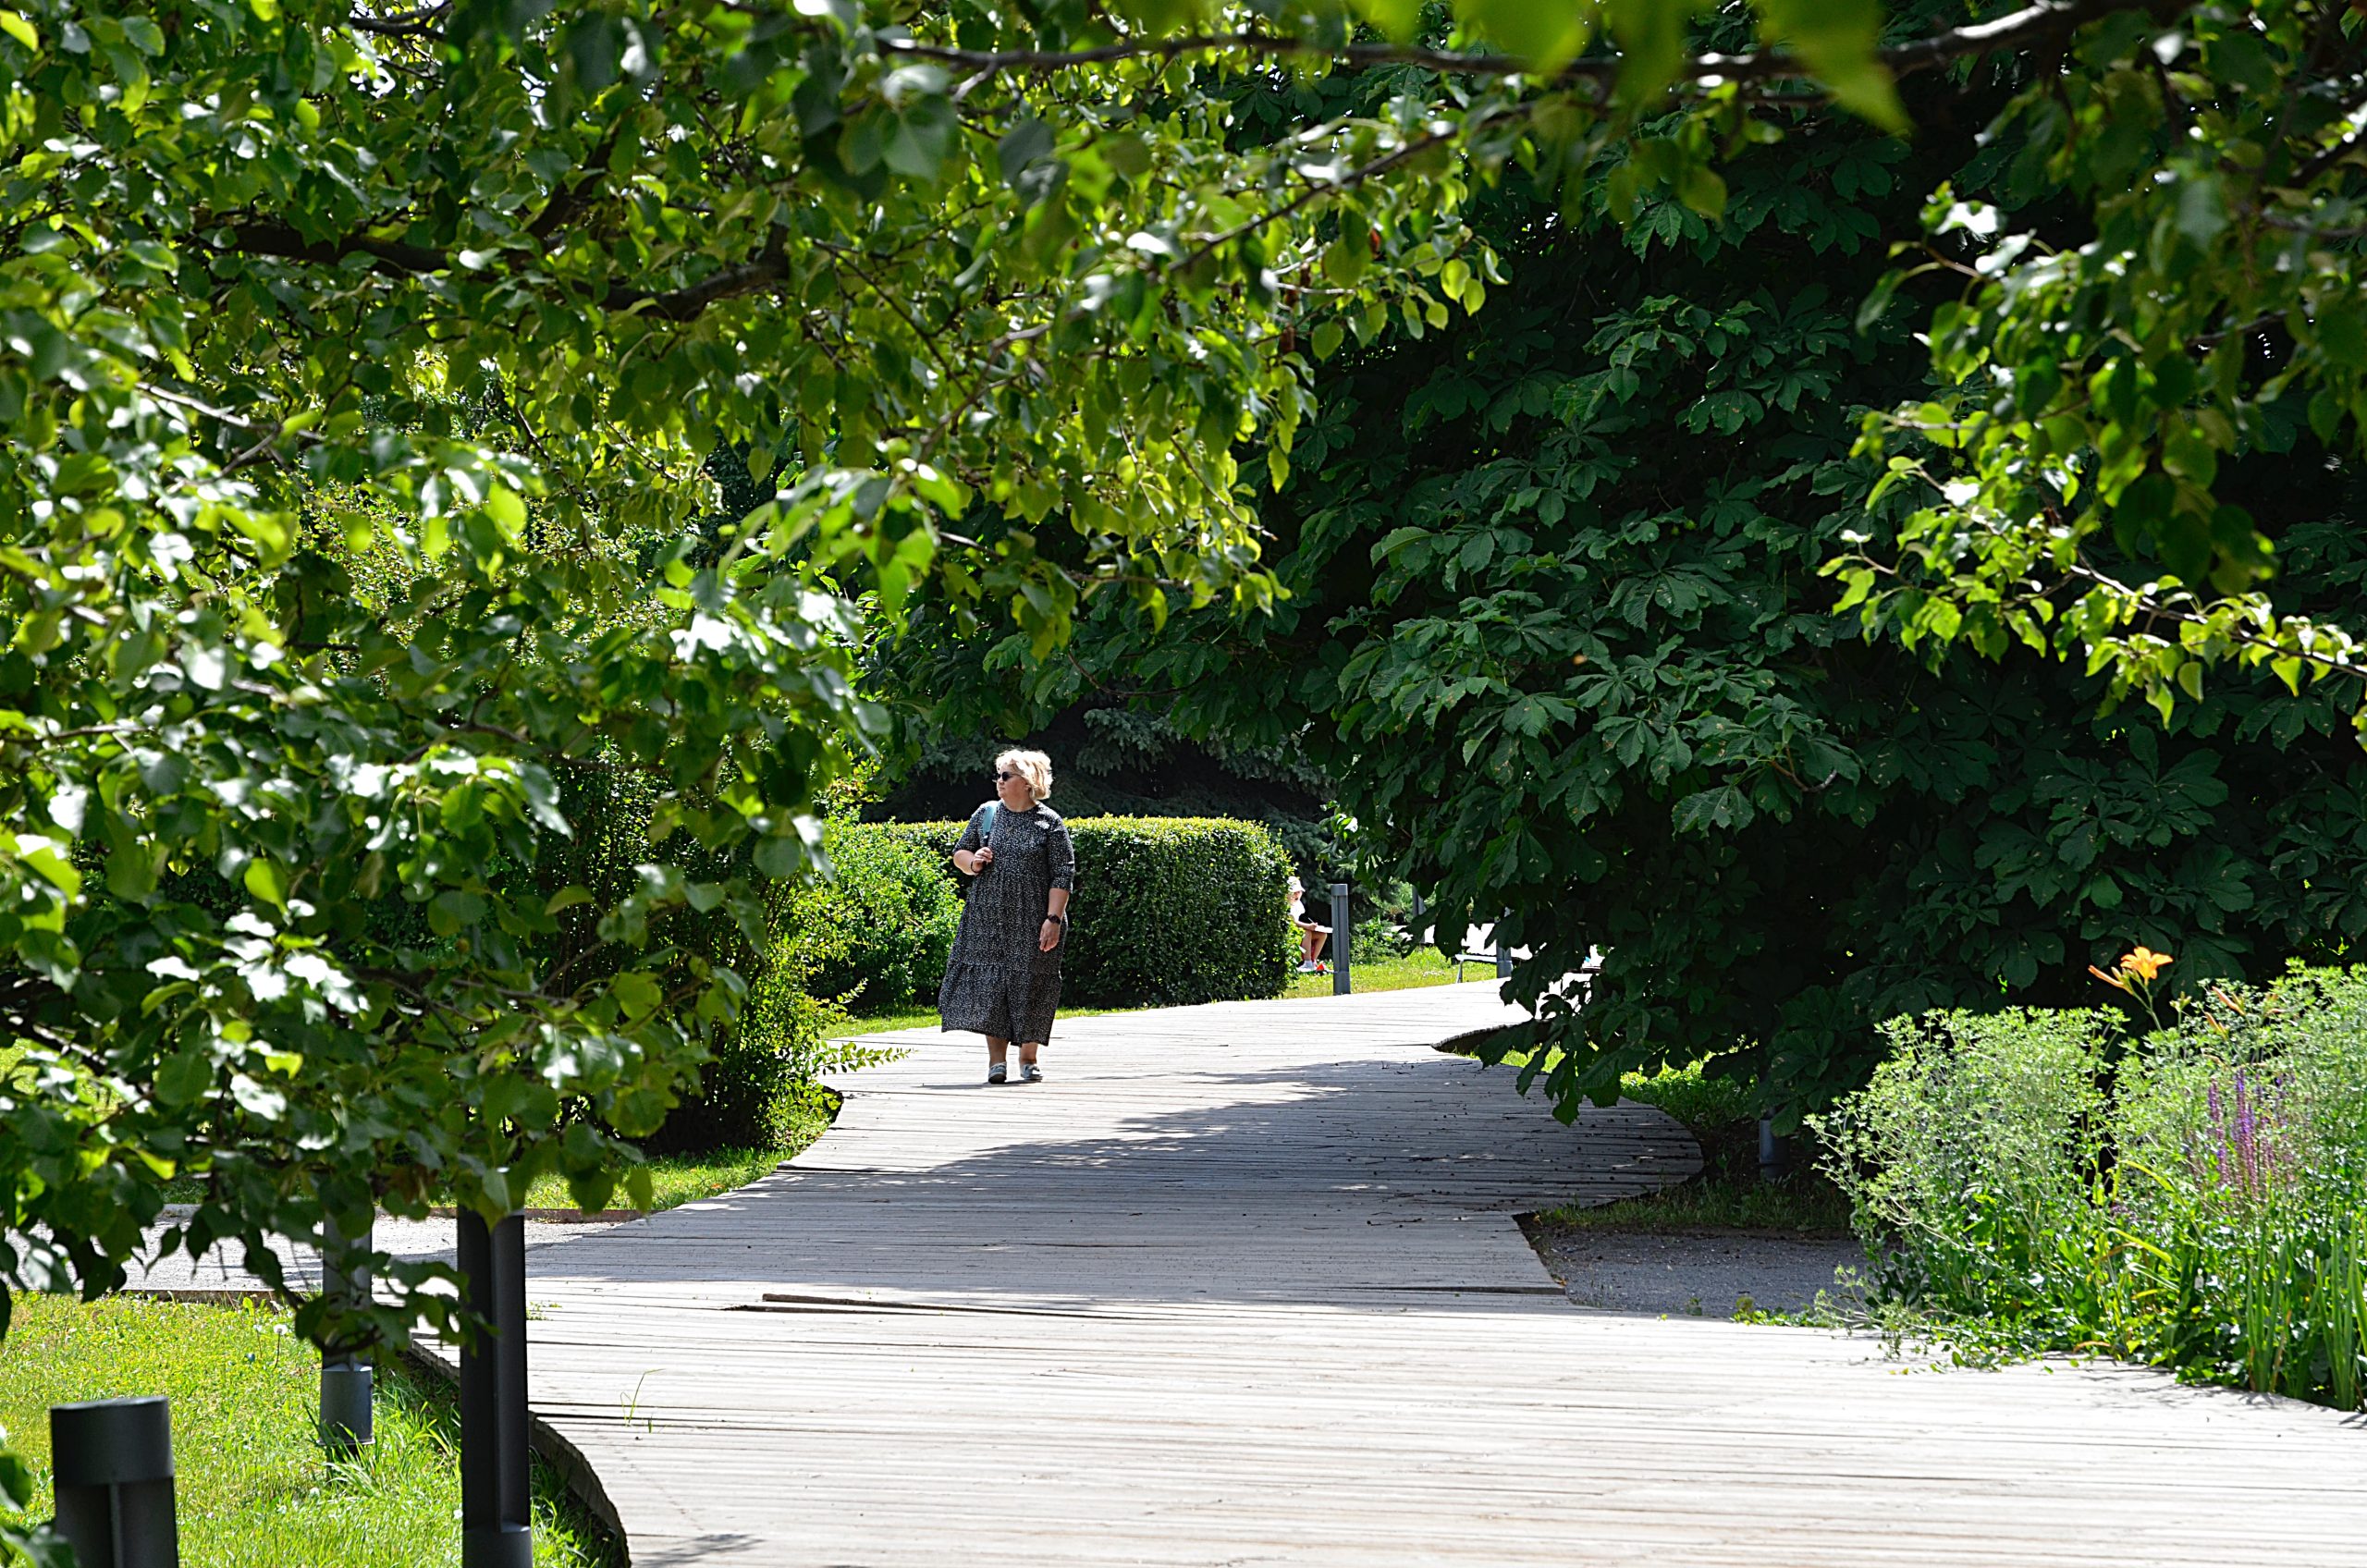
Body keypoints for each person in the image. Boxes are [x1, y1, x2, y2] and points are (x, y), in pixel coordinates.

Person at [938, 749, 1074, 1084]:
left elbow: (1063, 874)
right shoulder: (986, 814)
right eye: (998, 775)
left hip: (1033, 919)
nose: (998, 782)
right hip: (987, 917)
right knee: (992, 985)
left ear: (1028, 782)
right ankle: (996, 1062)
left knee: (1032, 984)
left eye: (1005, 776)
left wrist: (1053, 920)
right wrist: (974, 862)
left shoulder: (1049, 822)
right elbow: (960, 852)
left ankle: (1028, 1058)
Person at [1287, 876, 1330, 974]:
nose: (1297, 895)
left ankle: (1313, 960)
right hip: (1290, 933)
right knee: (1307, 932)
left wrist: (1314, 927)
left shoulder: (1298, 904)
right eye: (1294, 892)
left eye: (1299, 892)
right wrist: (1308, 927)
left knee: (1322, 935)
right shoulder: (1287, 906)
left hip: (1297, 932)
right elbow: (1293, 923)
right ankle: (1307, 962)